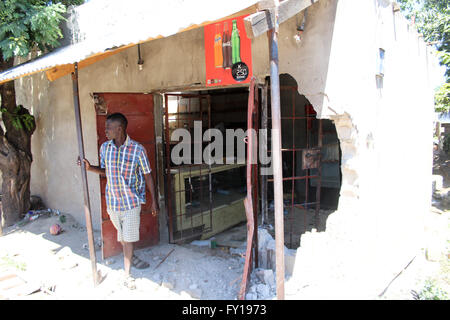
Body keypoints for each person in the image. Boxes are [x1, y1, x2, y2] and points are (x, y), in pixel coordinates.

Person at [77, 112, 159, 289]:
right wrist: (90, 168)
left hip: (131, 202)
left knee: (127, 239)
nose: (105, 130)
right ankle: (132, 256)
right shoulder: (105, 148)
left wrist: (154, 200)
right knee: (123, 237)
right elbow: (106, 172)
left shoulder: (137, 150)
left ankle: (127, 275)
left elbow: (148, 176)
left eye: (109, 127)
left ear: (119, 129)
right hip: (113, 202)